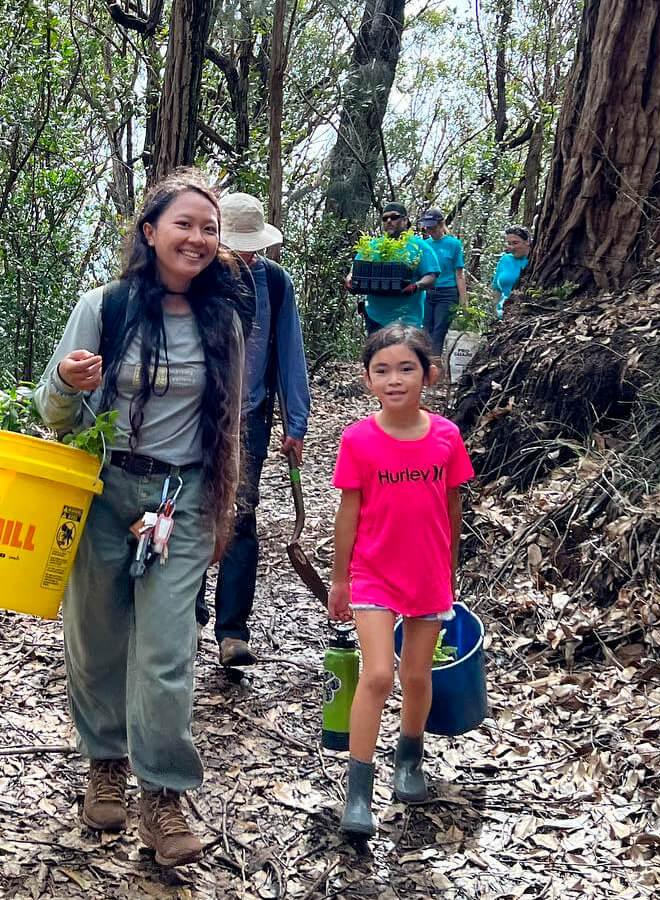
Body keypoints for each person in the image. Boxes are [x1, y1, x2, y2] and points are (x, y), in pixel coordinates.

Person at [33, 168, 245, 867]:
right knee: (95, 637)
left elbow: (228, 428)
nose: (198, 238)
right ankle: (105, 762)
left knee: (166, 649)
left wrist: (222, 513)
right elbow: (51, 410)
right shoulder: (105, 307)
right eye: (184, 224)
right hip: (103, 489)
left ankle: (163, 794)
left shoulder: (224, 320)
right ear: (150, 232)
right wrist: (67, 382)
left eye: (209, 229)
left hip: (181, 499)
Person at [326, 323, 475, 840]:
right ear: (367, 380)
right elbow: (348, 512)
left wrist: (449, 569)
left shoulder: (446, 436)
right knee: (377, 676)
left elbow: (453, 507)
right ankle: (358, 791)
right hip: (373, 573)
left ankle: (409, 760)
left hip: (428, 574)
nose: (395, 380)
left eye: (406, 368)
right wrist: (339, 579)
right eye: (382, 370)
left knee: (415, 675)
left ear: (428, 374)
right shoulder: (358, 440)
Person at [194, 193, 311, 667]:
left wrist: (296, 422)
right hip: (193, 416)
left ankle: (232, 632)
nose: (244, 257)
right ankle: (188, 616)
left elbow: (290, 352)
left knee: (240, 517)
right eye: (235, 247)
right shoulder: (196, 277)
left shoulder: (275, 283)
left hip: (250, 418)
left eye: (251, 249)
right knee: (189, 511)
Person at [348, 201, 440, 335]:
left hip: (407, 319)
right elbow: (355, 269)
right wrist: (350, 279)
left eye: (394, 217)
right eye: (385, 218)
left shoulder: (420, 246)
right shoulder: (372, 246)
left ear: (405, 220)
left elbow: (431, 276)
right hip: (375, 317)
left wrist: (416, 286)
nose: (389, 221)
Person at [416, 209, 466, 357]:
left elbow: (459, 274)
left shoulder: (453, 244)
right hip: (427, 292)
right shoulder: (424, 245)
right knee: (425, 329)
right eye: (427, 227)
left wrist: (464, 301)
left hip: (447, 293)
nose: (429, 230)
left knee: (439, 331)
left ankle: (434, 363)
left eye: (432, 226)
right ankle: (424, 362)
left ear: (441, 224)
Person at [491, 225, 532, 318]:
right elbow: (496, 290)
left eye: (515, 243)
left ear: (527, 242)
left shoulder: (535, 261)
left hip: (525, 313)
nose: (512, 247)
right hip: (502, 314)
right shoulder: (505, 259)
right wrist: (495, 312)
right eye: (509, 243)